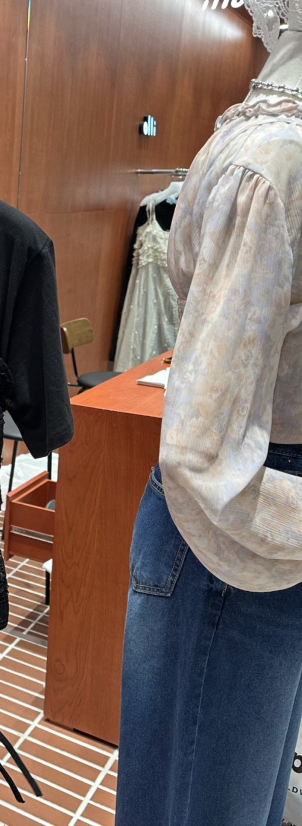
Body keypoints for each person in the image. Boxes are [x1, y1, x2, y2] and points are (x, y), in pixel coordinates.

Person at [117, 3, 302, 824]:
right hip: (233, 531)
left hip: (259, 525)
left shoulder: (272, 150)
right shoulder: (275, 164)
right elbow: (203, 457)